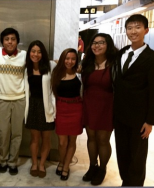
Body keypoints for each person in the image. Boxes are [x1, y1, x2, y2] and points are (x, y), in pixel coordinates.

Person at [113, 14, 154, 186]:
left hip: (140, 119)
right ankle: (126, 182)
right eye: (130, 27)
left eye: (138, 27)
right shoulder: (122, 54)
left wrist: (150, 121)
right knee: (122, 154)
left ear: (146, 30)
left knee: (138, 158)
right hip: (120, 116)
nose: (133, 31)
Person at [0, 28, 26, 175]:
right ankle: (3, 160)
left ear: (17, 41)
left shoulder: (24, 55)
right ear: (2, 41)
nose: (10, 42)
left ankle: (13, 162)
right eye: (7, 39)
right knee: (3, 132)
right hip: (1, 100)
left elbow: (41, 62)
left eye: (13, 39)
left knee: (17, 133)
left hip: (20, 99)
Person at [81, 33, 118, 185]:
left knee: (103, 140)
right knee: (91, 138)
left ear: (108, 45)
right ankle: (92, 166)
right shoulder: (87, 62)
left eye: (101, 42)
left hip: (107, 106)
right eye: (94, 43)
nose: (96, 46)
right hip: (89, 104)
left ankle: (102, 169)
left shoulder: (115, 63)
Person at [24, 40, 56, 178]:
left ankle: (42, 164)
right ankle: (34, 164)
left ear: (43, 53)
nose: (35, 54)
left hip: (47, 107)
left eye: (39, 51)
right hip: (32, 106)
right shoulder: (26, 69)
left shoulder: (51, 66)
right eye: (33, 51)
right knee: (35, 138)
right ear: (29, 53)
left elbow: (55, 87)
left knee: (46, 138)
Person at [51, 48, 83, 181]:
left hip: (76, 109)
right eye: (67, 58)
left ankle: (66, 166)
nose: (70, 61)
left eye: (73, 59)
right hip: (61, 109)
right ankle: (62, 161)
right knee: (62, 142)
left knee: (72, 140)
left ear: (76, 61)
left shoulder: (80, 74)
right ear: (63, 59)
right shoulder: (56, 73)